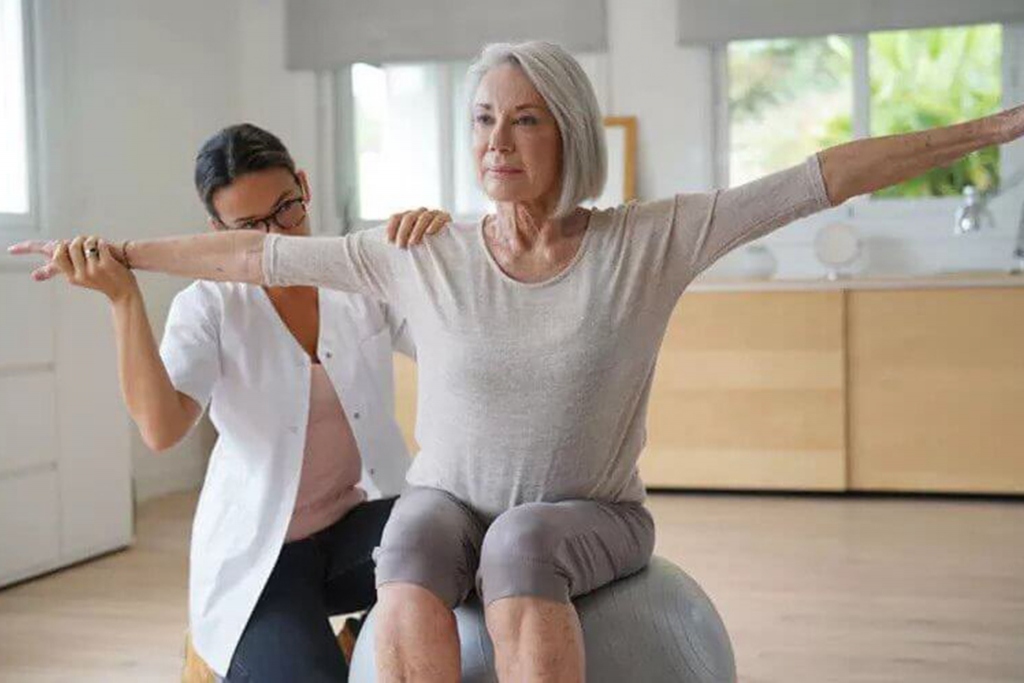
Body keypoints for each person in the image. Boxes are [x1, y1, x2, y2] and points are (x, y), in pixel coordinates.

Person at [13, 42, 1024, 683]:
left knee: (520, 541)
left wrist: (989, 130)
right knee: (416, 528)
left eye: (525, 116)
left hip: (579, 513)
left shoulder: (648, 239)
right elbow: (246, 260)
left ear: (569, 130)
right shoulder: (424, 253)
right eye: (484, 118)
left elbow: (818, 179)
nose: (498, 138)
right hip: (394, 518)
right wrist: (118, 258)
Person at [11, 123, 448, 681]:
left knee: (458, 531)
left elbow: (451, 344)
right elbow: (162, 429)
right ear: (218, 231)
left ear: (304, 186)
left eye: (286, 209)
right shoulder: (208, 306)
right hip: (261, 563)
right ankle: (233, 651)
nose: (277, 238)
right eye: (251, 228)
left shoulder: (356, 279)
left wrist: (440, 253)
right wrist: (123, 300)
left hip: (355, 535)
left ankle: (360, 636)